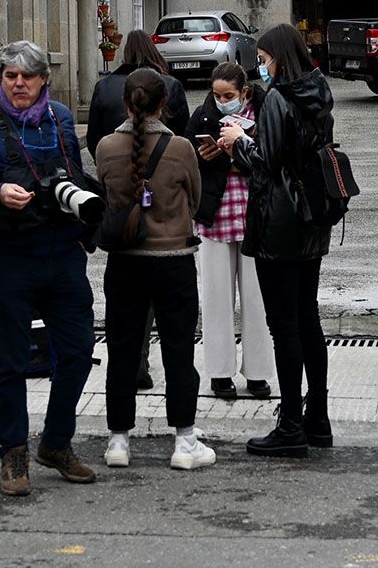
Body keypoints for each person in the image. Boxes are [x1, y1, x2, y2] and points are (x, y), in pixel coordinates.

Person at [0, 41, 100, 497]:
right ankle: (12, 452)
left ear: (43, 79)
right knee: (9, 361)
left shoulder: (61, 118)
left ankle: (56, 443)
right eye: (10, 76)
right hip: (8, 257)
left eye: (28, 76)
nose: (19, 84)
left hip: (62, 253)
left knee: (77, 349)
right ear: (1, 78)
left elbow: (73, 172)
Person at [219, 23, 334, 457]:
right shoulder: (319, 92)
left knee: (283, 325)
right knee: (309, 320)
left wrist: (237, 142)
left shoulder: (278, 100)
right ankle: (317, 418)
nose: (261, 68)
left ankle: (290, 423)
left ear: (279, 59)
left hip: (278, 223)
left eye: (264, 61)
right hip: (312, 220)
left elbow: (265, 164)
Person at [95, 68, 213, 471]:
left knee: (123, 350)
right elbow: (194, 200)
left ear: (126, 104)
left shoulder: (107, 146)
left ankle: (118, 441)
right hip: (173, 260)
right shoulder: (180, 148)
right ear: (164, 104)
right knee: (179, 351)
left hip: (125, 262)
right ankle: (184, 440)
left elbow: (108, 193)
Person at [84, 28, 190, 391]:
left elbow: (94, 142)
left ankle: (134, 367)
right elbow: (188, 159)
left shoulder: (104, 88)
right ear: (162, 103)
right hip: (168, 217)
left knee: (127, 309)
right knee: (174, 315)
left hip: (121, 212)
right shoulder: (171, 84)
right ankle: (179, 406)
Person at [187, 62, 274, 400]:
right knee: (215, 297)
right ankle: (219, 372)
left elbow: (271, 159)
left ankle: (258, 373)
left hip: (256, 215)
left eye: (229, 95)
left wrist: (235, 154)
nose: (222, 100)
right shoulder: (202, 116)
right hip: (215, 215)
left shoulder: (267, 112)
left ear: (245, 92)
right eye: (217, 94)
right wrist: (204, 155)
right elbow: (188, 159)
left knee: (257, 299)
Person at [86, 30, 191, 157]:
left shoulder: (104, 86)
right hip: (165, 162)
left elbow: (93, 137)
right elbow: (184, 133)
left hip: (116, 162)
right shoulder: (171, 85)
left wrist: (106, 164)